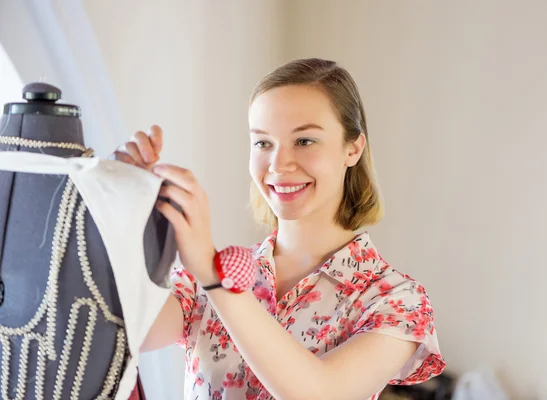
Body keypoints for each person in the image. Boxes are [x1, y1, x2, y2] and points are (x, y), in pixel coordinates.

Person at [114, 58, 446, 400]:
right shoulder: (199, 281)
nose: (278, 164)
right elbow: (111, 333)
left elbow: (320, 393)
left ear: (353, 148)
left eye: (304, 141)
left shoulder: (395, 300)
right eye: (262, 143)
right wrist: (118, 209)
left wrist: (215, 277)